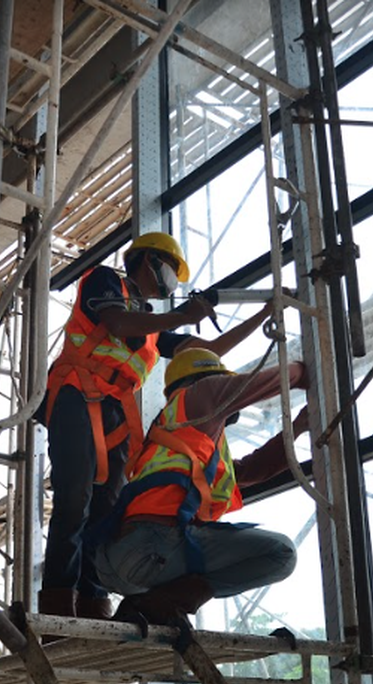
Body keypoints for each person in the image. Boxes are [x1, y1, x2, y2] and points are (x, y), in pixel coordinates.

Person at [38, 232, 274, 620]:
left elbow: (207, 350)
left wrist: (262, 316)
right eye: (169, 269)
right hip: (77, 395)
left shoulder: (152, 326)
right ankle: (58, 604)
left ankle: (93, 601)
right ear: (148, 260)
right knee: (73, 498)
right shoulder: (105, 282)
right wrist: (183, 315)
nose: (171, 281)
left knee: (106, 508)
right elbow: (116, 322)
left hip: (114, 410)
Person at [90, 347, 311, 629]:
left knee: (272, 552)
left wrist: (298, 427)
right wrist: (306, 370)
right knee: (281, 554)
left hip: (117, 561)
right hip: (154, 547)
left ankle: (153, 601)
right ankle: (164, 602)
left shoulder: (180, 434)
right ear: (207, 378)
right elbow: (273, 380)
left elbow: (252, 470)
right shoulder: (201, 394)